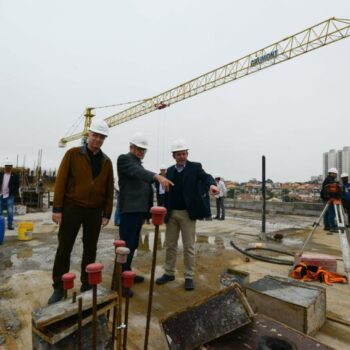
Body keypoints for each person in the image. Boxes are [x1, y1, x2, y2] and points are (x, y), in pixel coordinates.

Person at [48, 119, 114, 304]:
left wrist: (107, 213)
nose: (97, 140)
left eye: (101, 137)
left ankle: (87, 284)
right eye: (95, 136)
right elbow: (61, 181)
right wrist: (57, 209)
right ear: (88, 136)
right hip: (72, 207)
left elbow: (110, 189)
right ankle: (59, 287)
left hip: (94, 211)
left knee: (90, 248)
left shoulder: (106, 162)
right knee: (64, 248)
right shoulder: (73, 154)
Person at [156, 139, 219, 291]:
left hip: (187, 214)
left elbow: (206, 176)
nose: (182, 156)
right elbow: (164, 194)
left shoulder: (195, 167)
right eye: (179, 154)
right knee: (170, 245)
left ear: (187, 154)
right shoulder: (170, 171)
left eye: (184, 153)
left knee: (188, 246)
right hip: (171, 214)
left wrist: (212, 184)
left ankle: (189, 276)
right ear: (174, 156)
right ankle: (169, 273)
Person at [117, 132, 173, 297]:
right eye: (138, 149)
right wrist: (156, 176)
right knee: (125, 246)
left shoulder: (139, 165)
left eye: (143, 150)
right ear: (131, 147)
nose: (141, 152)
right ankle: (120, 281)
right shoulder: (125, 159)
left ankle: (127, 274)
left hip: (138, 212)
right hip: (129, 211)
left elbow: (145, 184)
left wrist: (147, 212)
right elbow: (138, 173)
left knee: (133, 245)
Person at [0, 157, 19, 231]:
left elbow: (17, 185)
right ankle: (0, 225)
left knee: (10, 211)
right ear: (4, 166)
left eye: (9, 166)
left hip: (9, 196)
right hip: (1, 195)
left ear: (11, 167)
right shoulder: (1, 174)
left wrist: (13, 193)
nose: (8, 167)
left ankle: (10, 225)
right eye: (7, 166)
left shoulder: (15, 176)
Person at [320, 168, 338, 232]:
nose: (336, 175)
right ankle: (332, 227)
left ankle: (327, 226)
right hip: (329, 198)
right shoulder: (330, 180)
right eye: (335, 174)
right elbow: (332, 190)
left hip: (325, 198)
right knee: (331, 213)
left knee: (327, 213)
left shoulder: (328, 179)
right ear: (332, 173)